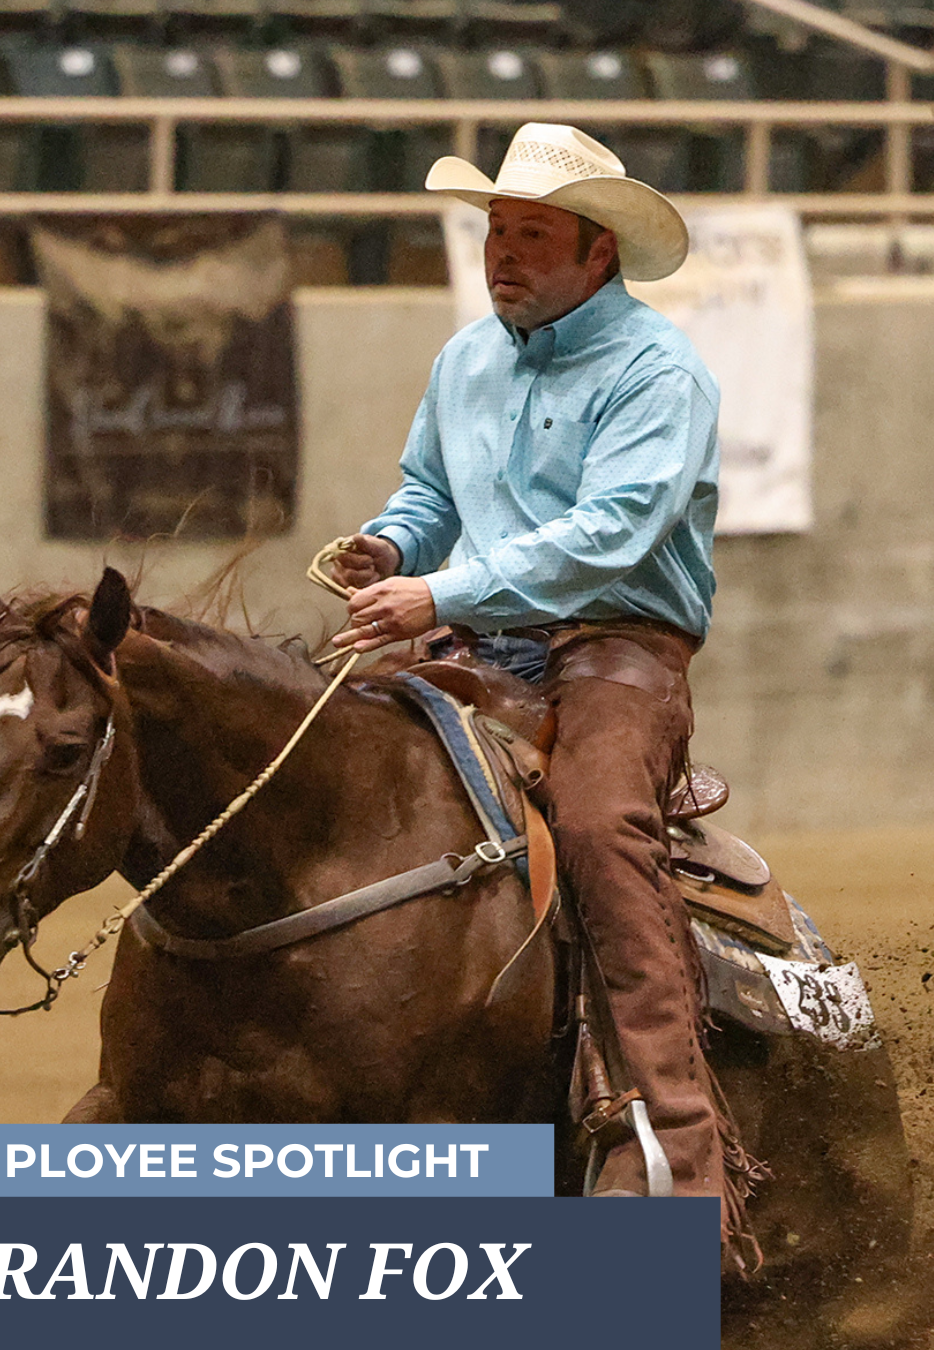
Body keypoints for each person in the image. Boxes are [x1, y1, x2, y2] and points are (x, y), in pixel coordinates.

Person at [329, 122, 759, 1253]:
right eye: (496, 231)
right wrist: (388, 547)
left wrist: (437, 594)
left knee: (598, 820)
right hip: (476, 632)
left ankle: (673, 1146)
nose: (503, 254)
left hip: (618, 649)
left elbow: (612, 537)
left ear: (598, 254)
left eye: (532, 235)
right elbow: (428, 495)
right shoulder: (467, 360)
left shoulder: (659, 373)